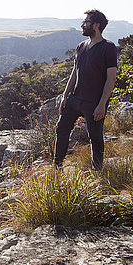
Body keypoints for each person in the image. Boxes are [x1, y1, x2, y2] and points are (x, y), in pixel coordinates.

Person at [54, 9, 117, 170]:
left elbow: (111, 79)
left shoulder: (108, 47)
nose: (82, 25)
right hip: (75, 99)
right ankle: (57, 168)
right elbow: (74, 73)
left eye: (86, 22)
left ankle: (98, 171)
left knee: (95, 137)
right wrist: (65, 95)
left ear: (96, 25)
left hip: (94, 101)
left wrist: (102, 104)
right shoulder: (81, 46)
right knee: (61, 130)